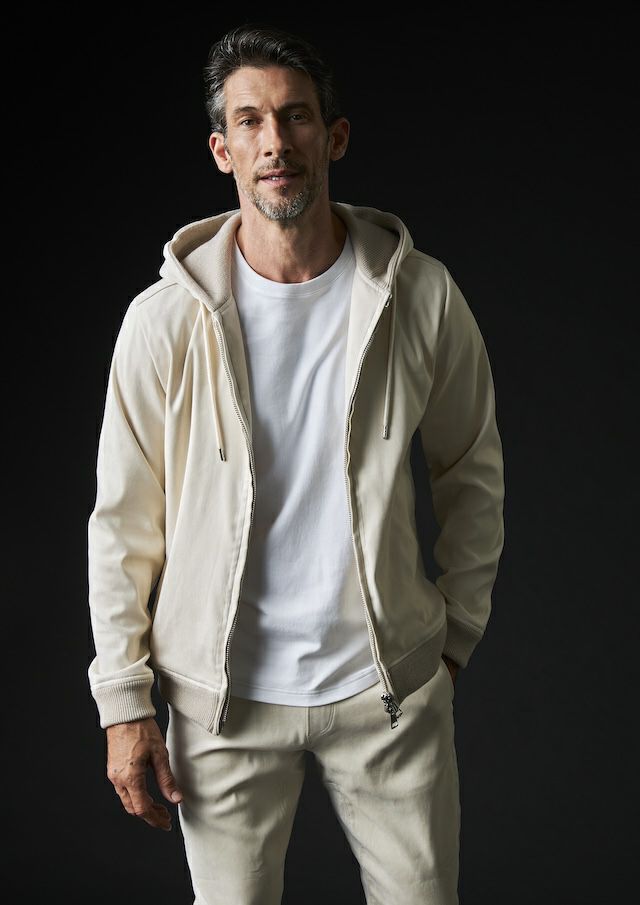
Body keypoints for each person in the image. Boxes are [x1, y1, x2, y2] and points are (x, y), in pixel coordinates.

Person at [87, 22, 505, 905]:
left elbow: (472, 470)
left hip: (387, 694)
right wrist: (124, 700)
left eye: (296, 116)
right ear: (223, 150)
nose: (275, 140)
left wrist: (454, 638)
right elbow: (123, 521)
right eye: (249, 121)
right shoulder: (163, 322)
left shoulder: (420, 294)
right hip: (223, 705)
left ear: (335, 136)